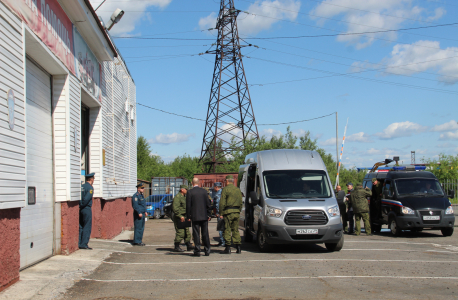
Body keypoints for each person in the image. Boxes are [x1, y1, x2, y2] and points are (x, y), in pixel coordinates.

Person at [186, 178, 212, 257]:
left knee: (196, 233)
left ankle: (197, 251)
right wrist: (209, 214)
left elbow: (188, 206)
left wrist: (188, 216)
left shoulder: (190, 192)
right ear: (199, 183)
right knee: (205, 233)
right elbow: (208, 204)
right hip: (204, 216)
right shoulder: (204, 192)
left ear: (192, 183)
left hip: (195, 216)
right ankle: (207, 250)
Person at [219, 175, 243, 254]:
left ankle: (228, 248)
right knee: (235, 230)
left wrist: (221, 213)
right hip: (236, 212)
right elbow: (240, 202)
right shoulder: (237, 190)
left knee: (227, 229)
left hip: (228, 212)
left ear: (227, 181)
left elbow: (222, 202)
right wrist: (238, 211)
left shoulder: (225, 189)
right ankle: (238, 248)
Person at [172, 185, 194, 252]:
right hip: (179, 217)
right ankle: (176, 246)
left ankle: (188, 245)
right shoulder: (178, 197)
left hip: (185, 216)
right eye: (186, 189)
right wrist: (180, 216)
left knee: (187, 232)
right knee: (181, 232)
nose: (187, 191)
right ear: (182, 190)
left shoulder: (184, 197)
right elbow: (175, 208)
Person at [79, 173, 95, 250]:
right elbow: (86, 199)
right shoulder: (90, 188)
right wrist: (82, 205)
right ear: (91, 179)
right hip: (86, 208)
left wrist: (79, 206)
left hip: (80, 208)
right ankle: (84, 244)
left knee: (81, 226)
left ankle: (79, 242)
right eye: (93, 179)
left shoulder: (82, 186)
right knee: (87, 226)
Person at [212, 182, 225, 247]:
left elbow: (217, 205)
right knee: (224, 227)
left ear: (216, 187)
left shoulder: (217, 194)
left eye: (214, 187)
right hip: (225, 213)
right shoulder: (223, 192)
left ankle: (222, 242)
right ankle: (222, 241)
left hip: (220, 214)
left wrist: (217, 213)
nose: (213, 188)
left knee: (220, 228)